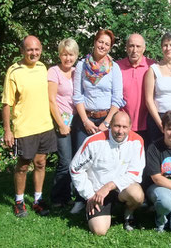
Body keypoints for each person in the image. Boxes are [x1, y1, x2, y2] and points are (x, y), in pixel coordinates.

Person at [2, 35, 56, 217]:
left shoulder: (43, 68)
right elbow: (6, 103)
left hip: (44, 126)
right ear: (22, 51)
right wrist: (7, 130)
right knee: (23, 166)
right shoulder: (14, 71)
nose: (34, 53)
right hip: (24, 128)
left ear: (41, 49)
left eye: (37, 49)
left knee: (41, 163)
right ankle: (19, 201)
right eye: (30, 49)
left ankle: (38, 200)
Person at [72, 29, 126, 213]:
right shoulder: (81, 65)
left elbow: (117, 98)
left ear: (110, 47)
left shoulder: (114, 68)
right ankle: (81, 198)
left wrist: (107, 123)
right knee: (82, 161)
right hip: (85, 119)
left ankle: (106, 198)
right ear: (95, 42)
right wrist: (86, 120)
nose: (102, 46)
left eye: (107, 44)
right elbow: (77, 96)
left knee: (105, 160)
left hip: (106, 119)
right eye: (100, 42)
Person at [70, 111, 145, 235]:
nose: (120, 131)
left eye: (124, 127)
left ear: (130, 127)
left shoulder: (137, 141)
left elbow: (135, 173)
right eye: (117, 126)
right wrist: (89, 195)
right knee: (99, 230)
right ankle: (96, 209)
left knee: (137, 194)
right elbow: (75, 169)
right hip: (97, 192)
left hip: (121, 189)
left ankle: (128, 214)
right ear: (110, 125)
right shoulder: (93, 142)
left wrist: (109, 186)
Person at [48, 38, 79, 208]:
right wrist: (60, 124)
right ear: (60, 55)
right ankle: (57, 198)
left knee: (76, 160)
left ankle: (70, 196)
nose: (68, 58)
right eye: (65, 54)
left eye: (71, 54)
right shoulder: (54, 71)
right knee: (65, 161)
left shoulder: (76, 71)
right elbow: (51, 100)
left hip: (78, 121)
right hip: (62, 120)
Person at [117, 34, 155, 147]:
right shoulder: (117, 67)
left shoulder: (152, 66)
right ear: (126, 47)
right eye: (131, 46)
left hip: (147, 124)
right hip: (123, 125)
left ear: (144, 48)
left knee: (145, 159)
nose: (134, 50)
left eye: (138, 46)